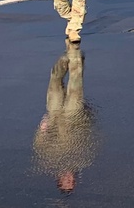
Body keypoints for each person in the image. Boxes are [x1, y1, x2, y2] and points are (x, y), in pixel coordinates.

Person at [32, 41, 100, 194]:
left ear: (59, 179)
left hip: (55, 117)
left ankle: (65, 58)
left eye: (66, 182)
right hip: (73, 118)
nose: (69, 179)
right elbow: (90, 136)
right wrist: (88, 115)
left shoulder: (50, 162)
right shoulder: (82, 161)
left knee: (55, 83)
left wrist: (42, 129)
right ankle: (75, 55)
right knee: (75, 87)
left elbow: (40, 146)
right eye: (71, 182)